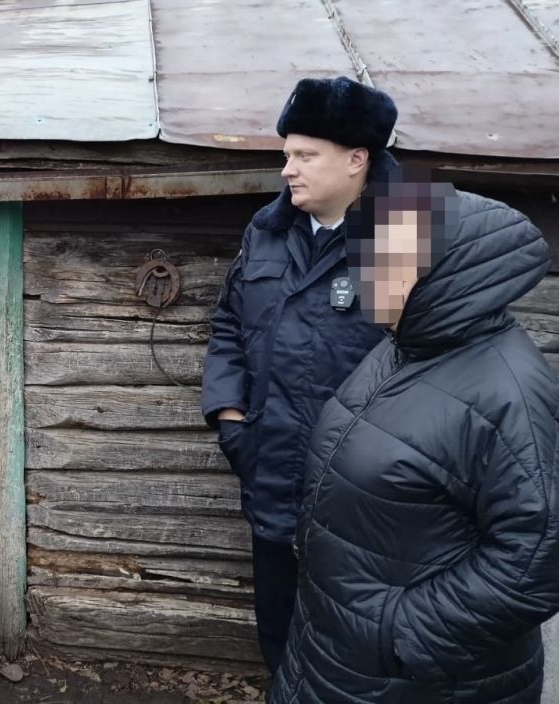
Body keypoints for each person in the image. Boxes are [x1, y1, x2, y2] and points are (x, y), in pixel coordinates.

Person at [270, 180, 559, 703]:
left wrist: (402, 633)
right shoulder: (404, 346)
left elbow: (540, 554)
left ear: (440, 272)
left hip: (412, 677)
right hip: (336, 645)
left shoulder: (510, 392)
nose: (363, 275)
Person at [201, 76, 396, 674]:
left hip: (365, 498)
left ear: (357, 160)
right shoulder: (267, 232)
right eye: (287, 154)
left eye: (305, 155)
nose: (288, 169)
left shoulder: (404, 240)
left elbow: (432, 361)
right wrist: (232, 419)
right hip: (271, 471)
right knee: (279, 635)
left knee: (357, 649)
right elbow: (228, 325)